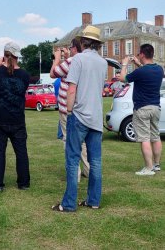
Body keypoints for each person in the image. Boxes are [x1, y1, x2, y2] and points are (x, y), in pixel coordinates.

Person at [52, 25, 107, 212]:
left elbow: (72, 87)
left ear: (83, 42)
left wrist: (68, 111)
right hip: (96, 117)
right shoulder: (103, 62)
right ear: (98, 44)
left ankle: (68, 204)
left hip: (80, 115)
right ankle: (94, 201)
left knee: (72, 158)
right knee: (96, 161)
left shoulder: (78, 60)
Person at [0, 42, 30, 191]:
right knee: (21, 152)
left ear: (4, 54)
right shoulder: (24, 75)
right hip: (17, 119)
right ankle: (23, 183)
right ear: (18, 56)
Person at [119, 44, 163, 175]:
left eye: (139, 54)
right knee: (155, 137)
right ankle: (156, 165)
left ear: (142, 54)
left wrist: (125, 64)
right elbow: (147, 72)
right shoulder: (159, 69)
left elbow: (122, 78)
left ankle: (148, 168)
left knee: (144, 138)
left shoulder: (140, 72)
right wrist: (138, 63)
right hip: (156, 107)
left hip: (142, 108)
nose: (138, 56)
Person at [50, 38, 90, 182]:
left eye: (70, 47)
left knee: (68, 140)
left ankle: (74, 173)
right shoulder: (86, 60)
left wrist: (57, 59)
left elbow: (53, 73)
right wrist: (66, 58)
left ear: (74, 48)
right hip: (83, 107)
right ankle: (87, 169)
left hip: (68, 107)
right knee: (82, 141)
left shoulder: (71, 61)